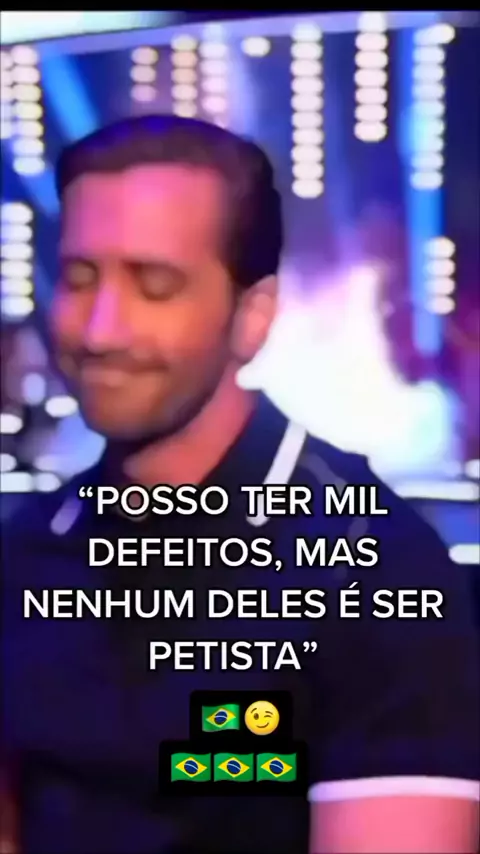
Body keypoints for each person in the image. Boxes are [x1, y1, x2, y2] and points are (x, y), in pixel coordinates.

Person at [1, 115, 479, 854]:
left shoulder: (374, 570)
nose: (99, 331)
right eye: (79, 278)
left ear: (251, 316)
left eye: (154, 285)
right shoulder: (28, 551)